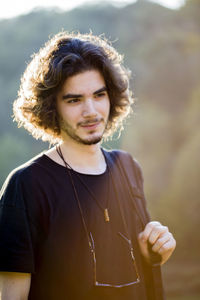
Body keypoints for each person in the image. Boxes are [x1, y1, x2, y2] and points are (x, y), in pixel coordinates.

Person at [0, 31, 176, 300]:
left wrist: (154, 252)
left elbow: (135, 272)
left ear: (111, 97)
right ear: (51, 107)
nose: (91, 111)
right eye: (74, 100)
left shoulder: (128, 167)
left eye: (99, 95)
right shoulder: (26, 184)